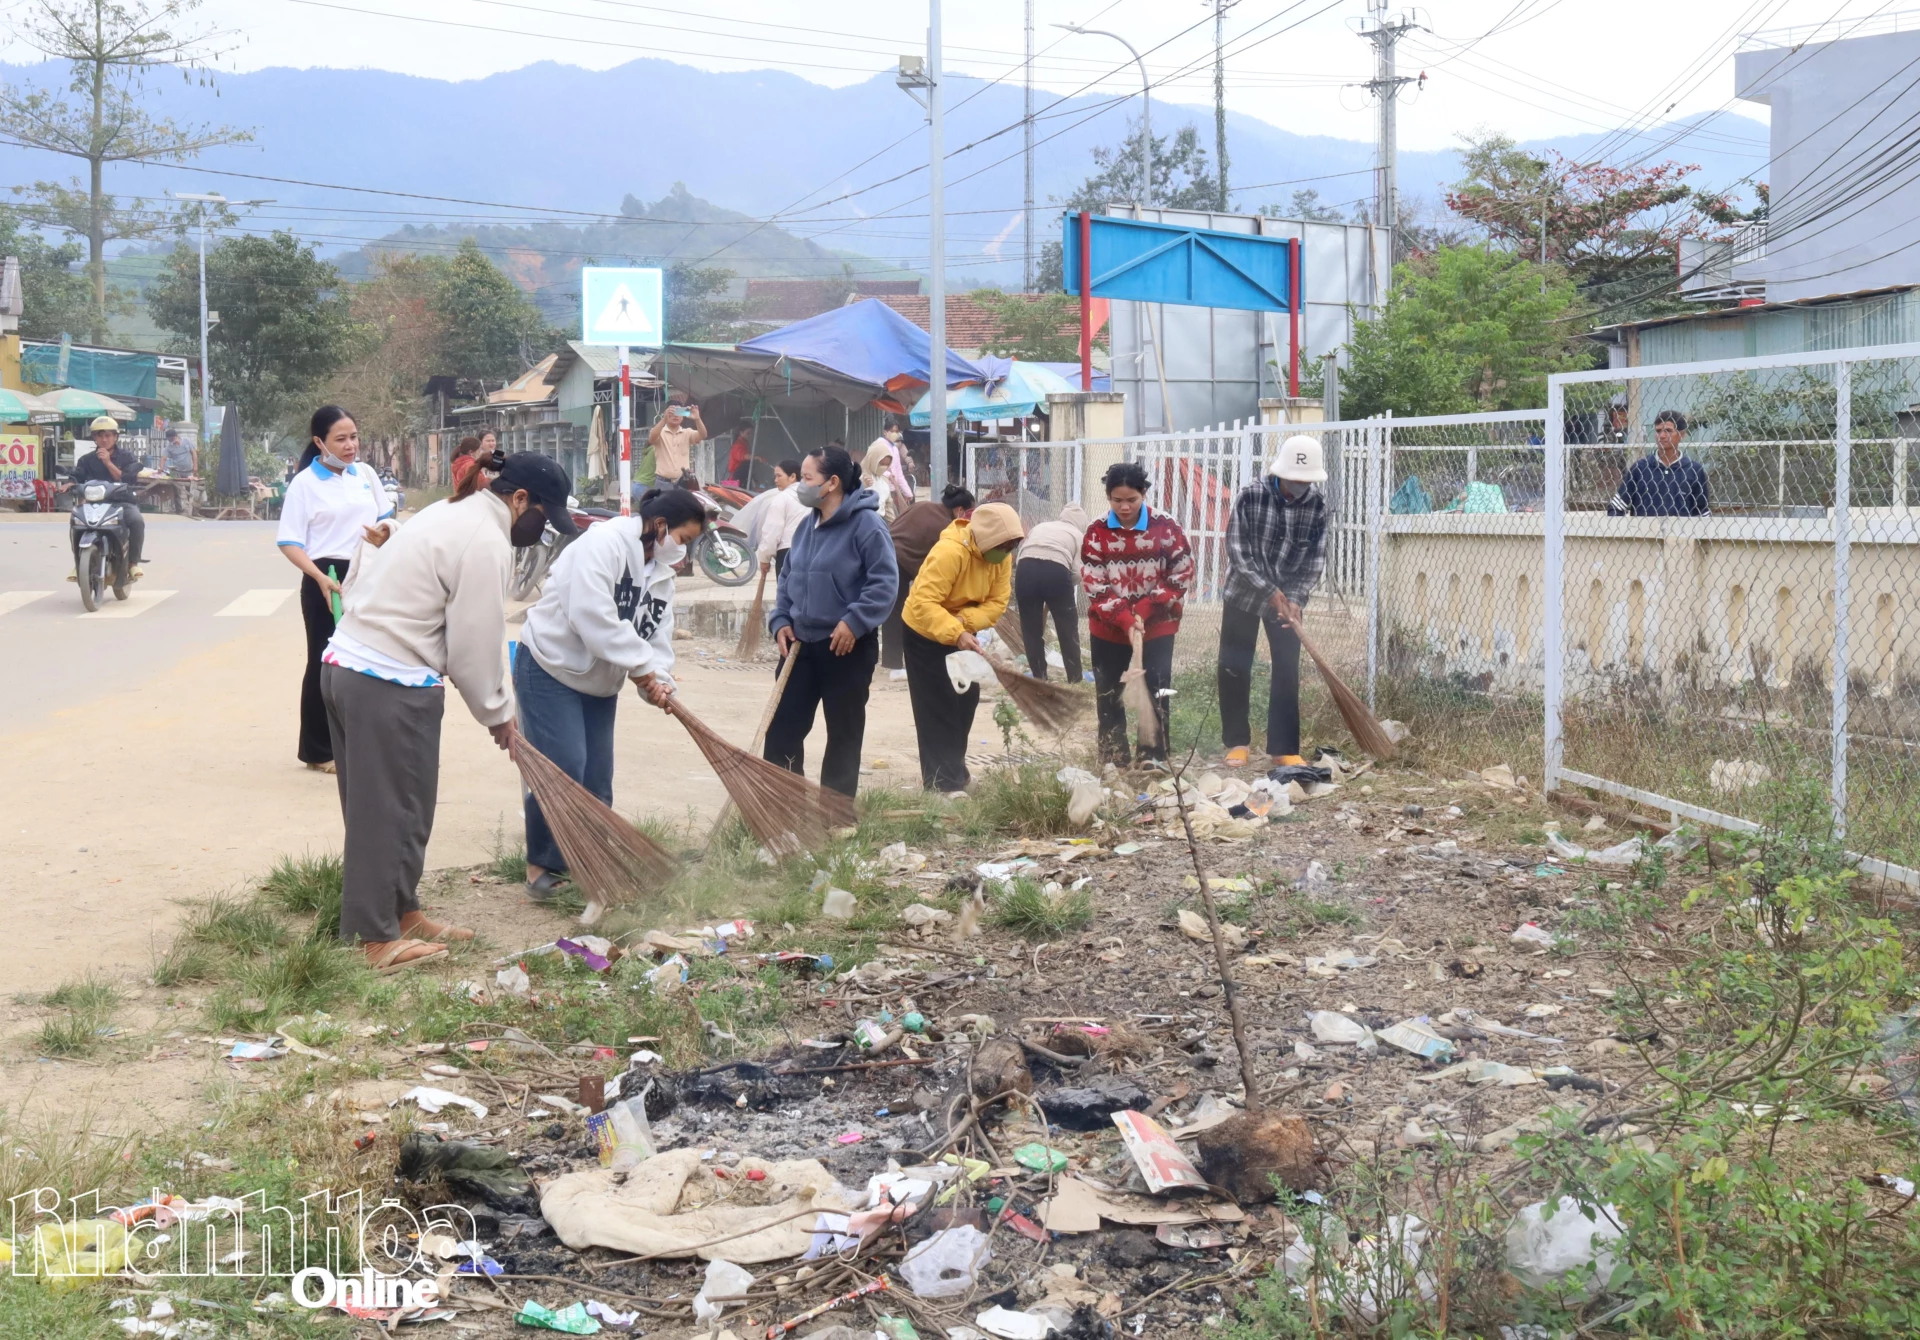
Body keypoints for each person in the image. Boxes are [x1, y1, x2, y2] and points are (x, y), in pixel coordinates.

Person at [321, 451, 574, 971]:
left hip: (352, 666)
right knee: (392, 813)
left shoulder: (452, 510)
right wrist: (499, 713)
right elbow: (474, 644)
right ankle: (374, 939)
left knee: (397, 808)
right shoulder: (486, 540)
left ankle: (403, 914)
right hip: (388, 680)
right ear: (519, 499)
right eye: (543, 518)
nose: (542, 531)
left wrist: (494, 708)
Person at [517, 486, 708, 899]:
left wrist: (660, 679)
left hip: (600, 681)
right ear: (661, 525)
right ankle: (542, 868)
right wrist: (641, 669)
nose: (684, 551)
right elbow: (592, 616)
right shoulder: (603, 544)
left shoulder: (661, 574)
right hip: (550, 667)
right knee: (563, 768)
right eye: (684, 538)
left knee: (596, 778)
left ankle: (588, 861)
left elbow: (656, 634)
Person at [763, 447, 898, 798]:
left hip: (845, 646)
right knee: (782, 730)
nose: (801, 486)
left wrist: (855, 621)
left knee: (843, 734)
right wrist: (780, 619)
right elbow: (788, 578)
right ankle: (782, 806)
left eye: (808, 478)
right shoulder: (807, 525)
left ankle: (836, 814)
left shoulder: (868, 525)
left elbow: (884, 583)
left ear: (832, 483)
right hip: (799, 646)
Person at [276, 406, 396, 773]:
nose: (350, 446)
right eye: (340, 439)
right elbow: (289, 542)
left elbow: (385, 517)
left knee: (369, 659)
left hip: (367, 572)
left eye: (354, 437)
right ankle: (318, 750)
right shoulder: (304, 484)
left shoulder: (365, 475)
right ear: (319, 442)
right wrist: (319, 578)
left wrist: (385, 532)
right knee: (325, 662)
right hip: (326, 577)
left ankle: (362, 743)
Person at [1218, 434, 1328, 770]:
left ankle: (1284, 747)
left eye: (1305, 480)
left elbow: (1314, 559)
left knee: (1287, 668)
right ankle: (1237, 742)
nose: (1299, 486)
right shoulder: (1251, 495)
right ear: (1280, 472)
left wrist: (1295, 598)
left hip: (1288, 599)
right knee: (1235, 665)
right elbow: (1237, 551)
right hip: (1244, 592)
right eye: (1294, 479)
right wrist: (1268, 591)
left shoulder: (1316, 505)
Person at [901, 500, 1024, 793]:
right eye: (1003, 546)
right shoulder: (950, 552)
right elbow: (924, 602)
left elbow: (997, 603)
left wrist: (963, 623)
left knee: (965, 700)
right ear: (985, 537)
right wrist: (956, 632)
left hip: (961, 630)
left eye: (1011, 546)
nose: (1006, 552)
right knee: (937, 705)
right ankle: (941, 784)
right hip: (924, 631)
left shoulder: (1000, 556)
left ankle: (955, 771)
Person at [1081, 464, 1193, 765]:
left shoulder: (1166, 527)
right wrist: (1124, 618)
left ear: (1143, 493)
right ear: (1108, 497)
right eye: (1117, 500)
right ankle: (1113, 758)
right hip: (1109, 628)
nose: (1124, 507)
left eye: (1131, 499)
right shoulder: (1096, 531)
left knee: (1157, 690)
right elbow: (1094, 584)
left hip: (1157, 626)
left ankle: (1153, 757)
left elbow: (1182, 573)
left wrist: (1146, 608)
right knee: (1109, 693)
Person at [883, 484, 974, 672]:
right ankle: (894, 665)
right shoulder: (946, 528)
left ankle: (892, 659)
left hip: (884, 552)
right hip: (897, 561)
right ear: (959, 510)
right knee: (898, 612)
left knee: (892, 609)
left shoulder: (923, 505)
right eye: (969, 513)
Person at [1013, 501, 1089, 683]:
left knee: (1031, 629)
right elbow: (1077, 572)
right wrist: (1061, 589)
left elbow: (1022, 552)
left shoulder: (1041, 526)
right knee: (1067, 628)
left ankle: (1040, 678)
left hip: (1025, 569)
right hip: (1056, 570)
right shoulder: (1078, 535)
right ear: (1081, 523)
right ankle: (1075, 680)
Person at [69, 417, 150, 565]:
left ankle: (133, 563)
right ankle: (78, 563)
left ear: (115, 437)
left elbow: (126, 479)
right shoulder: (86, 460)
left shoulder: (126, 457)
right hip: (94, 504)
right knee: (75, 520)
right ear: (94, 438)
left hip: (121, 503)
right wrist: (68, 484)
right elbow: (77, 477)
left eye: (108, 435)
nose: (104, 439)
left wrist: (107, 462)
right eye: (100, 436)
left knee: (137, 520)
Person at [1608, 410, 1709, 517]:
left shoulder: (1693, 470)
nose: (1662, 436)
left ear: (1681, 434)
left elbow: (1702, 514)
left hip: (1680, 528)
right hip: (1645, 527)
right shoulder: (1640, 468)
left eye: (1668, 431)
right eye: (1658, 431)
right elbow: (1616, 507)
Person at [755, 458, 808, 581]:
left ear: (792, 476)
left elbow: (772, 531)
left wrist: (765, 558)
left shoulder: (781, 498)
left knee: (787, 591)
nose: (775, 480)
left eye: (779, 476)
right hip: (811, 552)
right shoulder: (812, 497)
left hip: (787, 554)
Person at [645, 392, 705, 490]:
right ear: (666, 414)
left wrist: (697, 419)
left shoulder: (687, 433)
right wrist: (664, 419)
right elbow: (651, 438)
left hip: (683, 482)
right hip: (663, 483)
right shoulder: (660, 432)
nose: (676, 415)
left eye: (679, 412)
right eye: (672, 412)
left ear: (683, 416)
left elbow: (703, 435)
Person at [862, 420, 914, 521]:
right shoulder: (877, 446)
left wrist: (907, 492)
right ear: (885, 432)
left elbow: (898, 473)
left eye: (897, 431)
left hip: (890, 490)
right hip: (878, 488)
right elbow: (872, 465)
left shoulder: (895, 448)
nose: (895, 434)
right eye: (892, 431)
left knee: (893, 520)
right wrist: (887, 475)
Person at [724, 421, 753, 486]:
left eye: (751, 433)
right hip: (735, 480)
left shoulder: (745, 444)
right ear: (741, 433)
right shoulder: (738, 445)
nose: (750, 436)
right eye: (748, 433)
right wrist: (756, 457)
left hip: (742, 479)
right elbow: (743, 456)